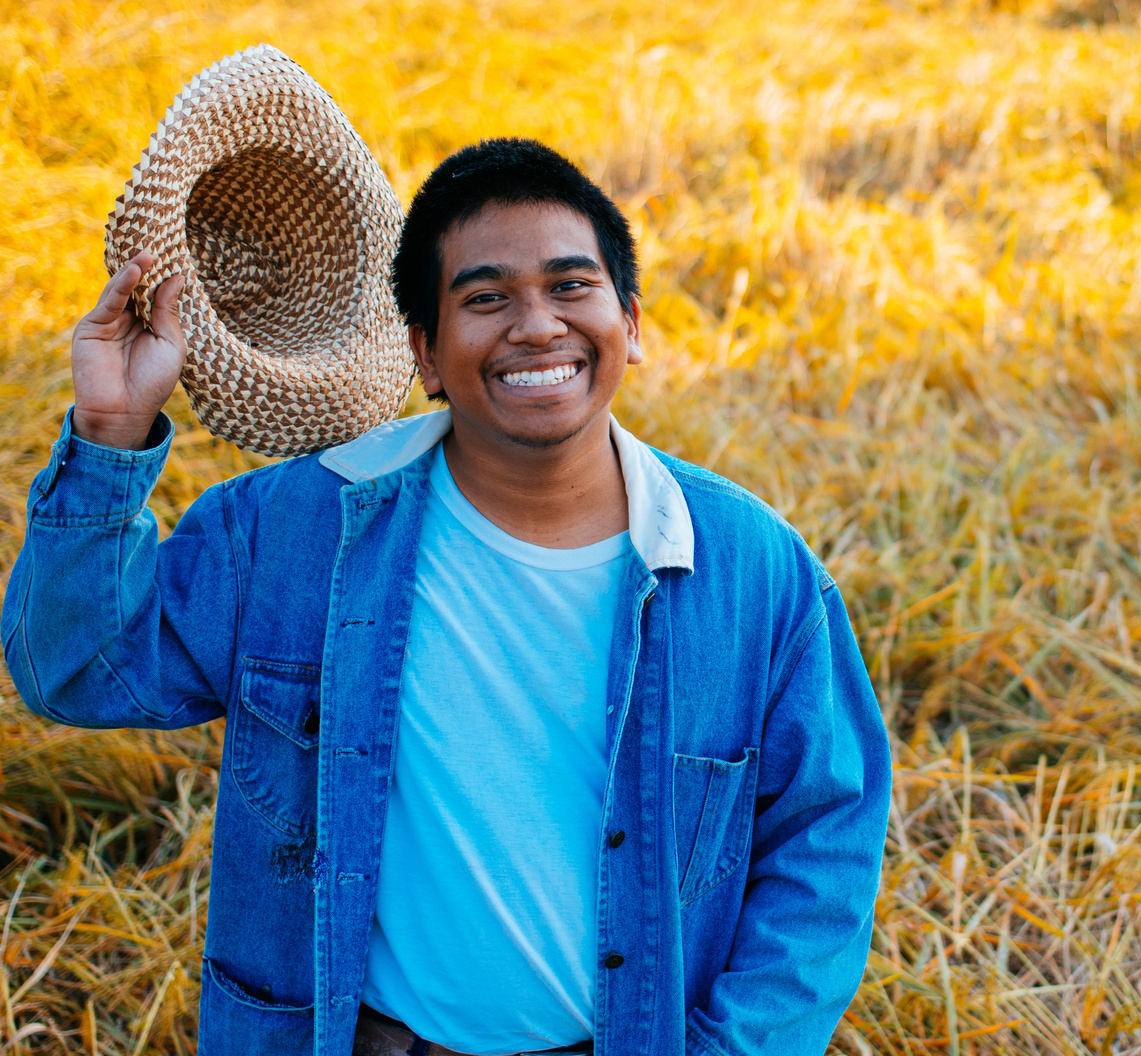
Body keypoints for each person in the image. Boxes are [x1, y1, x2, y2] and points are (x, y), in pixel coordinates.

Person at [1, 138, 890, 1056]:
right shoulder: (296, 531)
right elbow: (75, 671)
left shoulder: (750, 569)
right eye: (486, 297)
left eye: (571, 287)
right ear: (423, 351)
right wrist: (110, 433)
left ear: (631, 322)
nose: (537, 326)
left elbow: (824, 839)